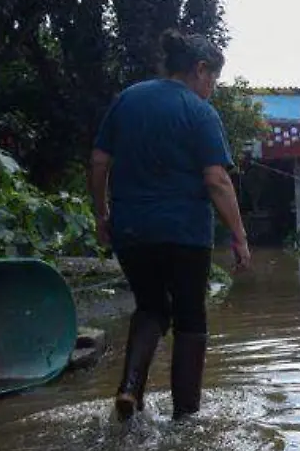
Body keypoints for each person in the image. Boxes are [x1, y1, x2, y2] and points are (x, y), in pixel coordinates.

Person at [89, 30, 252, 421]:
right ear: (199, 70)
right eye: (213, 78)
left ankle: (130, 388)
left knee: (150, 307)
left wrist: (101, 214)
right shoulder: (200, 112)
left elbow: (98, 161)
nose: (212, 87)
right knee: (190, 318)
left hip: (130, 229)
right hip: (185, 233)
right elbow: (216, 180)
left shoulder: (127, 100)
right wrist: (240, 237)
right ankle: (186, 417)